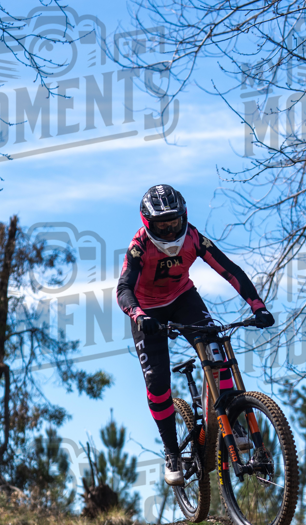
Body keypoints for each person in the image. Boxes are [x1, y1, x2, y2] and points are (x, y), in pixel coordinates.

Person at [117, 184, 275, 486]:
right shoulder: (138, 246)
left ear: (184, 216)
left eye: (174, 222)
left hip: (182, 299)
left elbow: (229, 269)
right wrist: (138, 315)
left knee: (217, 347)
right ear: (148, 224)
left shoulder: (193, 237)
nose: (169, 230)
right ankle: (172, 452)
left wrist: (258, 306)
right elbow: (123, 288)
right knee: (158, 383)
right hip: (147, 310)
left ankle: (230, 416)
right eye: (162, 225)